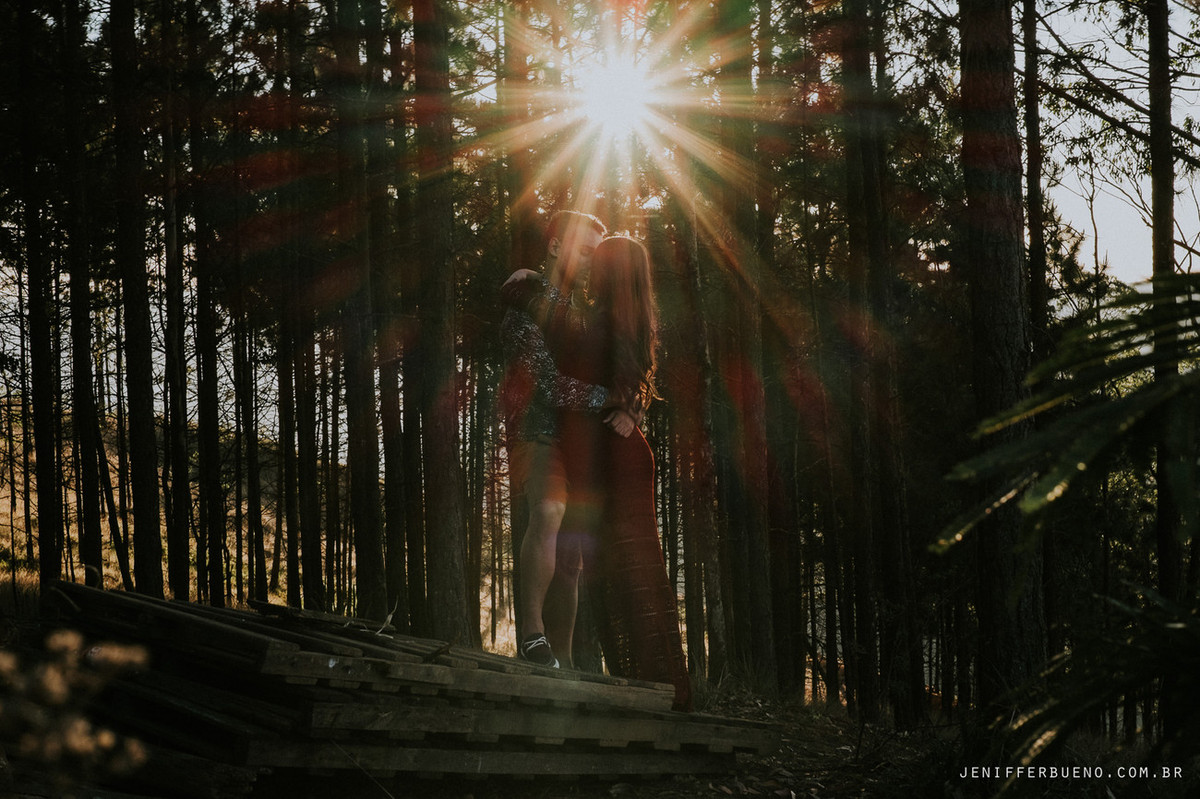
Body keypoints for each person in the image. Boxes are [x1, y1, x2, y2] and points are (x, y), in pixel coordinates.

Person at [505, 235, 692, 711]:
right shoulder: (628, 317)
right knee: (625, 564)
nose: (587, 264)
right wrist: (630, 406)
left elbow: (569, 362)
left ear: (608, 270)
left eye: (596, 257)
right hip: (618, 451)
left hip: (615, 455)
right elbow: (618, 380)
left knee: (625, 565)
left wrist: (529, 286)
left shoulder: (595, 322)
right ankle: (657, 684)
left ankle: (655, 686)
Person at [499, 211, 634, 669]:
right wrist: (609, 397)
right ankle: (532, 638)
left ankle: (563, 660)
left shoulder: (588, 315)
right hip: (536, 430)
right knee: (549, 511)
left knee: (573, 554)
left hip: (581, 441)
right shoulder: (523, 304)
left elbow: (632, 359)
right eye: (582, 250)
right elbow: (545, 383)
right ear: (556, 248)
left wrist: (631, 406)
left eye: (596, 254)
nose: (592, 262)